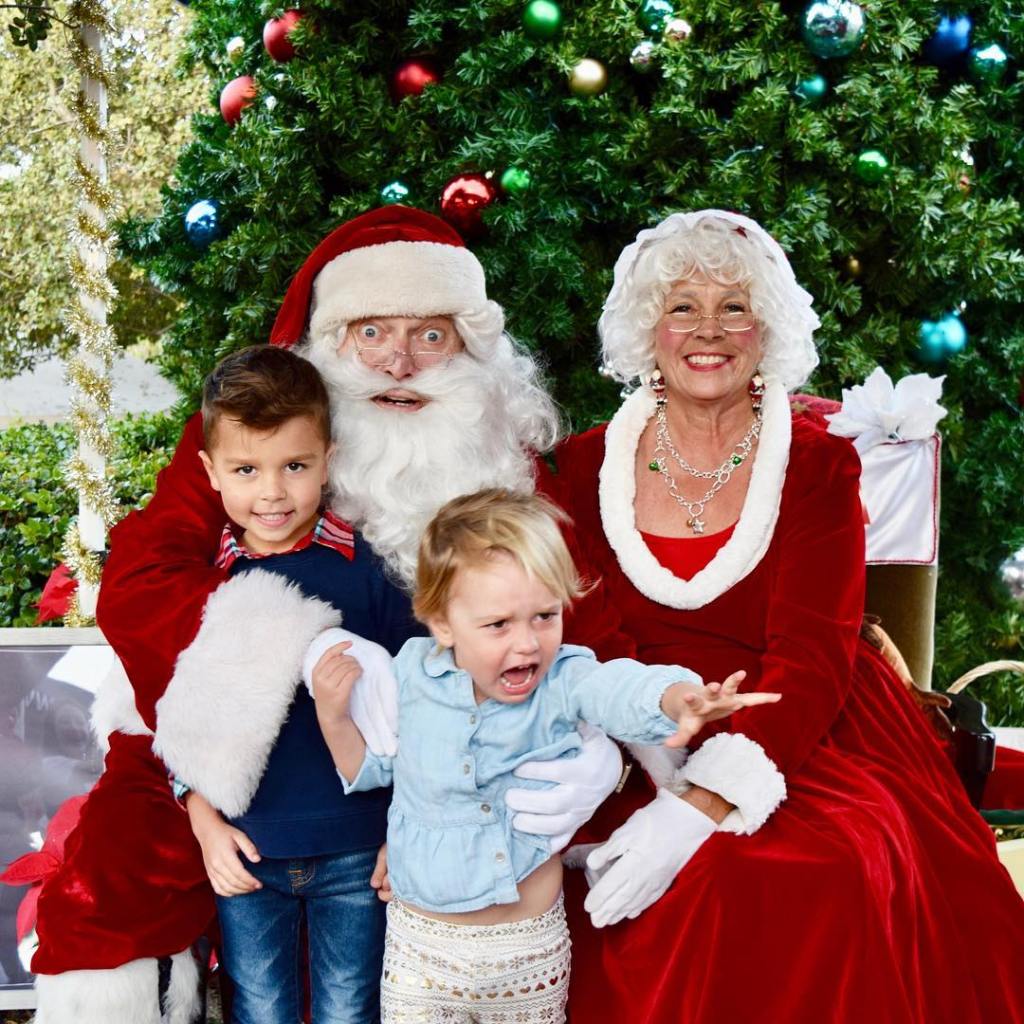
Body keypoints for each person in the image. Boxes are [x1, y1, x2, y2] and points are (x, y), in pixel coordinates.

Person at [26, 206, 623, 1023]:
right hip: (231, 728)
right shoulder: (258, 440)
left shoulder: (499, 457)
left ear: (473, 348)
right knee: (122, 862)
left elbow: (582, 613)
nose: (400, 362)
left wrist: (602, 749)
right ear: (328, 342)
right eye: (371, 332)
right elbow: (142, 581)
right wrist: (300, 645)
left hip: (442, 750)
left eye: (431, 335)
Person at [536, 209, 1024, 1022]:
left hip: (804, 719)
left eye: (735, 307)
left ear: (766, 329)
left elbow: (814, 653)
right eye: (682, 307)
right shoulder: (583, 466)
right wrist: (660, 756)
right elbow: (589, 631)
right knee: (594, 879)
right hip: (634, 723)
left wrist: (704, 802)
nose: (709, 329)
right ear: (647, 329)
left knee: (818, 872)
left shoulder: (820, 463)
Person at [308, 488, 778, 1024]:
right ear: (442, 623)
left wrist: (678, 698)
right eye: (499, 624)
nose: (528, 643)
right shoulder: (411, 675)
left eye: (544, 616)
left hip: (527, 951)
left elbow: (618, 689)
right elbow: (373, 769)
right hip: (422, 951)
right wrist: (334, 718)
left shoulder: (563, 678)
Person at [159, 344, 414, 1023]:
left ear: (328, 459)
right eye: (247, 470)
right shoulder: (205, 585)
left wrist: (404, 832)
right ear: (211, 471)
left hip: (357, 848)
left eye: (294, 466)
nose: (272, 492)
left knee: (350, 1009)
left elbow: (424, 707)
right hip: (247, 849)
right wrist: (205, 824)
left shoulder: (371, 573)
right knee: (261, 1009)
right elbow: (178, 719)